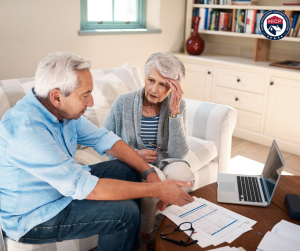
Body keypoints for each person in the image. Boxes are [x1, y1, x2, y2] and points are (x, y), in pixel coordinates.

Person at [0, 52, 194, 251]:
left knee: (127, 169)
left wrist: (149, 172)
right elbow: (85, 186)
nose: (91, 102)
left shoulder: (61, 112)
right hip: (35, 215)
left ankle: (131, 245)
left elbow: (104, 139)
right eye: (85, 95)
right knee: (125, 213)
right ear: (57, 96)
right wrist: (157, 189)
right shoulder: (27, 130)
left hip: (61, 190)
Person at [102, 52, 196, 248]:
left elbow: (178, 154)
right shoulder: (124, 102)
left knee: (184, 175)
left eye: (163, 84)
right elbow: (103, 141)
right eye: (151, 80)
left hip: (163, 161)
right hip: (133, 164)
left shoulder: (178, 105)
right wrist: (132, 154)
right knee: (157, 182)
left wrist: (174, 111)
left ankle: (165, 206)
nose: (154, 89)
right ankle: (144, 236)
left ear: (173, 87)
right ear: (144, 77)